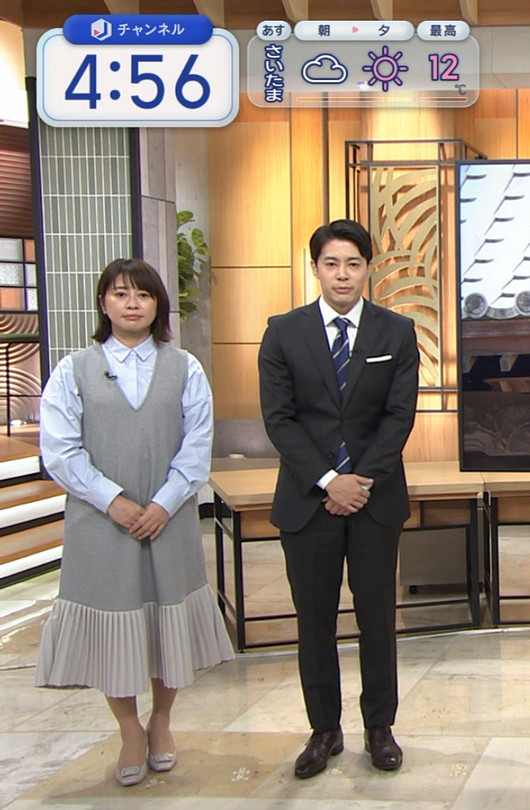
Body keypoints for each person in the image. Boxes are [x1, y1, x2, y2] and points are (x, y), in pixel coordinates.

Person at [34, 258, 234, 786]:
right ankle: (128, 728)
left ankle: (161, 719)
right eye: (120, 293)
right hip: (101, 523)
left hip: (169, 518)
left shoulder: (185, 367)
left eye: (142, 295)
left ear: (157, 305)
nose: (131, 303)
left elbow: (197, 445)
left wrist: (164, 503)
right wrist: (113, 501)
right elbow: (60, 450)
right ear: (103, 303)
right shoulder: (73, 370)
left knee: (167, 622)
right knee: (114, 625)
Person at [258, 219, 419, 778]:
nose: (342, 274)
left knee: (377, 618)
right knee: (315, 622)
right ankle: (324, 729)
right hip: (309, 502)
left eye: (353, 263)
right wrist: (329, 480)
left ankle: (380, 728)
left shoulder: (396, 332)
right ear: (315, 268)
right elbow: (279, 419)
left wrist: (359, 480)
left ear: (368, 268)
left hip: (375, 500)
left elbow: (399, 416)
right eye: (331, 263)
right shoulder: (283, 332)